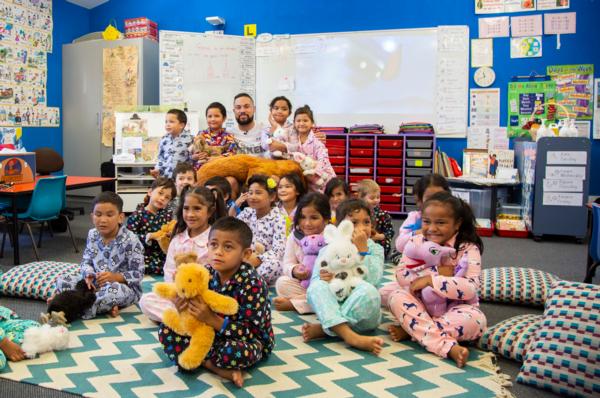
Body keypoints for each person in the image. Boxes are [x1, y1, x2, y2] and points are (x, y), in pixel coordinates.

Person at [158, 217, 274, 387]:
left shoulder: (253, 284)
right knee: (166, 331)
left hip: (245, 339)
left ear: (246, 254)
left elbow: (252, 331)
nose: (218, 252)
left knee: (236, 352)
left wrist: (212, 319)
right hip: (205, 334)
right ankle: (212, 365)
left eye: (228, 247)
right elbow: (191, 312)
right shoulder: (204, 273)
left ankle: (203, 361)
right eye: (214, 245)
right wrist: (180, 307)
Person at [386, 192, 486, 368]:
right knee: (395, 296)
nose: (432, 228)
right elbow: (402, 275)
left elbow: (470, 288)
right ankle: (447, 347)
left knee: (477, 320)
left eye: (440, 223)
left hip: (456, 310)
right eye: (426, 221)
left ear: (457, 224)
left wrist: (432, 281)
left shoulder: (468, 248)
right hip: (420, 305)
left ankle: (412, 330)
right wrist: (435, 273)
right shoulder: (415, 242)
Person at [303, 199, 384, 355]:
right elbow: (315, 281)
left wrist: (363, 251)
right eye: (354, 223)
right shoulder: (328, 249)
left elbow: (373, 279)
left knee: (371, 293)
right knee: (316, 288)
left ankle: (328, 328)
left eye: (366, 222)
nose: (361, 228)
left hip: (363, 313)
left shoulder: (376, 249)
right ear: (342, 228)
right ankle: (350, 336)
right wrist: (324, 277)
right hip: (334, 304)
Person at [139, 186, 226, 322]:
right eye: (186, 208)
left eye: (197, 209)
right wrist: (176, 295)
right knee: (146, 300)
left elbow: (218, 275)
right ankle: (185, 321)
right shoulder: (177, 240)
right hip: (178, 296)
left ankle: (184, 321)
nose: (190, 214)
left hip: (203, 297)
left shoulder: (214, 240)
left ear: (210, 211)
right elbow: (168, 271)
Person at [53, 192, 145, 319]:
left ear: (120, 217)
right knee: (63, 280)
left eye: (109, 215)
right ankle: (102, 306)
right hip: (94, 284)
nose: (103, 220)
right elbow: (86, 261)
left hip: (122, 287)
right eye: (98, 215)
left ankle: (68, 307)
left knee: (112, 293)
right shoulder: (92, 234)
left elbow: (138, 274)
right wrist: (88, 274)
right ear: (92, 217)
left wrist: (115, 277)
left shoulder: (131, 240)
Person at [274, 192, 330, 314]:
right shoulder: (295, 237)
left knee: (333, 293)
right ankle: (309, 301)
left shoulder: (331, 237)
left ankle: (295, 303)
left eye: (314, 218)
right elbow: (287, 264)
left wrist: (329, 275)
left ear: (325, 219)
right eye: (303, 217)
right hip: (304, 285)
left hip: (326, 285)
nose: (307, 223)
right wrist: (295, 270)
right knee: (281, 283)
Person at [236, 174, 286, 285]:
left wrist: (258, 259)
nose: (252, 197)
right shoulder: (246, 213)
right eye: (250, 192)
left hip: (264, 263)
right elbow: (234, 235)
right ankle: (244, 279)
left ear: (272, 197)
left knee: (276, 266)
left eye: (258, 193)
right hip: (244, 258)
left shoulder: (278, 218)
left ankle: (246, 282)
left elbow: (279, 250)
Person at [126, 177, 177, 275]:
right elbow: (128, 239)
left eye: (167, 197)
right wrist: (150, 236)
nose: (162, 198)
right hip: (143, 254)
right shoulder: (137, 215)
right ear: (150, 192)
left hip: (162, 255)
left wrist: (171, 234)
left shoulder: (168, 215)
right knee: (138, 265)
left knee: (176, 264)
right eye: (160, 193)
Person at [189, 102, 237, 170]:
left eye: (216, 116)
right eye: (209, 116)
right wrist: (195, 156)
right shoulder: (201, 134)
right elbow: (190, 153)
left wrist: (217, 158)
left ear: (224, 118)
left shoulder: (228, 136)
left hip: (219, 170)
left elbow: (232, 154)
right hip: (200, 171)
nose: (213, 119)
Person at [356, 179, 394, 258]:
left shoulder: (383, 215)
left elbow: (390, 231)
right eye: (372, 198)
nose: (376, 200)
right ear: (361, 197)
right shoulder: (356, 214)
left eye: (378, 197)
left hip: (379, 245)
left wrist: (380, 236)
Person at [151, 109, 193, 178]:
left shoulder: (190, 139)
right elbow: (161, 158)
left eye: (171, 122)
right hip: (166, 176)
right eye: (166, 122)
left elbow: (192, 159)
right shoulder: (164, 139)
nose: (167, 124)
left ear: (181, 125)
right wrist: (157, 169)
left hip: (182, 177)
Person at [229, 93, 267, 157]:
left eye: (246, 106)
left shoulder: (266, 130)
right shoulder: (229, 134)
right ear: (234, 111)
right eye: (238, 107)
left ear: (254, 109)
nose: (242, 110)